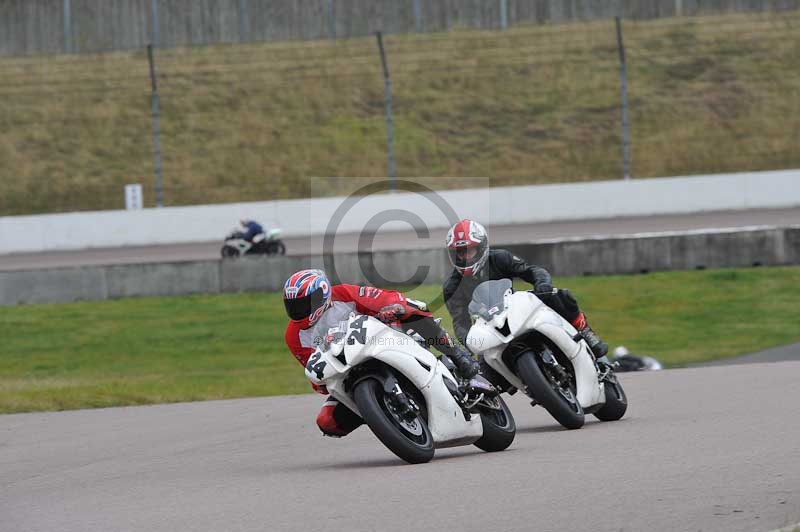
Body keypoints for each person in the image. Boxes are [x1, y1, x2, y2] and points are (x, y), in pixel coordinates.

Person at [283, 268, 480, 438]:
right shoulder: (294, 336)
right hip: (347, 371)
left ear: (322, 294)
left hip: (382, 339)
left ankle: (457, 355)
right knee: (327, 421)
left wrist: (389, 307)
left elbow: (378, 297)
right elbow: (315, 370)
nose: (297, 310)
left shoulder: (342, 294)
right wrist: (323, 383)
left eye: (303, 303)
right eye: (292, 305)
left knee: (410, 308)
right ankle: (381, 414)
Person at [443, 219, 609, 360]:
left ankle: (585, 331)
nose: (464, 257)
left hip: (515, 311)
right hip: (488, 329)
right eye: (459, 253)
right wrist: (468, 344)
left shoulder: (500, 258)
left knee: (560, 295)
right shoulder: (451, 286)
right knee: (482, 374)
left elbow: (532, 271)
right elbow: (460, 322)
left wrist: (543, 283)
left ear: (481, 247)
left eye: (469, 251)